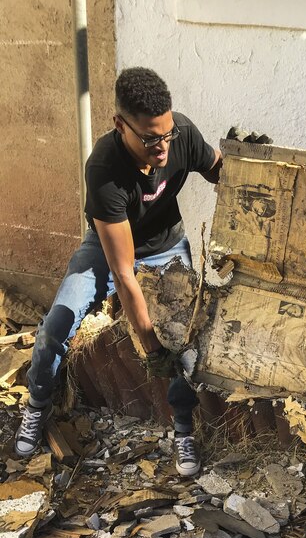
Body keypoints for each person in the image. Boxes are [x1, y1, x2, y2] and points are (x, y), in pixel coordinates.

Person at [14, 67, 222, 477]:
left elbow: (219, 170)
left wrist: (254, 172)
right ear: (120, 125)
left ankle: (183, 430)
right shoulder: (105, 169)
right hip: (111, 252)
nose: (162, 148)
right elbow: (124, 273)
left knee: (181, 335)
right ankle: (37, 403)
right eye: (150, 139)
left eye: (166, 135)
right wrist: (151, 349)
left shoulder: (181, 134)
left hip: (167, 247)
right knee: (57, 324)